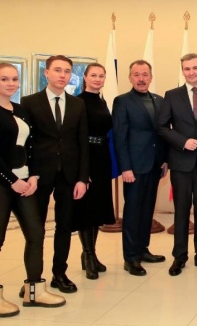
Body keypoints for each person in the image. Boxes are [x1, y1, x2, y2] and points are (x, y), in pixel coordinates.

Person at [0, 63, 65, 317]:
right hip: (4, 184)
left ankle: (35, 290)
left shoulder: (20, 110)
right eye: (4, 79)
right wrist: (10, 180)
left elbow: (32, 146)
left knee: (36, 234)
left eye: (14, 79)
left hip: (25, 183)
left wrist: (34, 175)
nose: (11, 83)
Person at [20, 55, 89, 294]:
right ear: (46, 73)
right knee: (35, 229)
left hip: (69, 175)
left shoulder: (78, 104)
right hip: (38, 176)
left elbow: (82, 143)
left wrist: (82, 178)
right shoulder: (29, 102)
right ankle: (33, 279)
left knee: (65, 226)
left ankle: (59, 274)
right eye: (57, 70)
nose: (62, 75)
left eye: (67, 71)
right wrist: (30, 173)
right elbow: (26, 142)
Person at [158, 53, 197, 276]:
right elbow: (161, 127)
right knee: (181, 212)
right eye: (187, 68)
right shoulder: (172, 95)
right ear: (182, 71)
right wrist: (183, 141)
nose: (191, 72)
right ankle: (179, 257)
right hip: (181, 163)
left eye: (195, 68)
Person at [112, 60, 168, 277]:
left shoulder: (159, 100)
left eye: (145, 74)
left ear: (151, 77)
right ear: (130, 78)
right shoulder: (122, 101)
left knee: (147, 211)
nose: (141, 79)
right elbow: (120, 137)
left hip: (154, 166)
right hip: (134, 168)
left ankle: (143, 249)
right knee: (133, 212)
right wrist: (125, 167)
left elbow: (162, 132)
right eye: (136, 74)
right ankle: (131, 258)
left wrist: (165, 160)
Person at [73, 63, 116, 280]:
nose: (98, 79)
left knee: (97, 209)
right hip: (86, 158)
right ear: (85, 77)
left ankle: (91, 254)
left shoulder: (102, 101)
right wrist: (82, 170)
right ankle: (88, 255)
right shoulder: (77, 102)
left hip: (102, 158)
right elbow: (75, 137)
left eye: (101, 76)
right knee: (86, 211)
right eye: (93, 75)